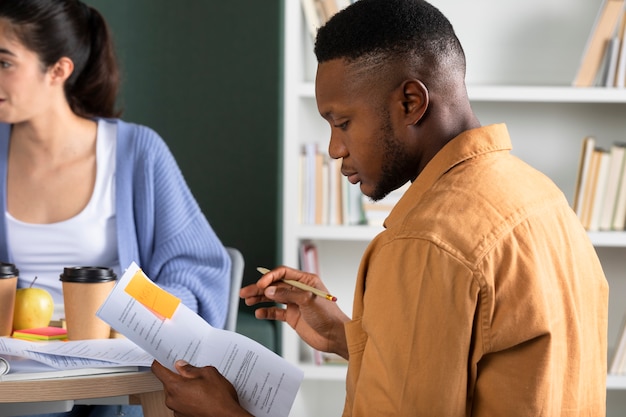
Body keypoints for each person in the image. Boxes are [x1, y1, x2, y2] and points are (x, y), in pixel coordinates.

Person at [151, 0, 609, 415]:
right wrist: (347, 336)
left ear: (410, 102)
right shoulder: (542, 198)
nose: (334, 148)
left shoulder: (427, 242)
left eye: (343, 123)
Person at [0, 0, 231, 416]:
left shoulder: (137, 153)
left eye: (4, 62)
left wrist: (136, 322)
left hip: (108, 387)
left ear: (58, 70)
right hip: (11, 384)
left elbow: (196, 272)